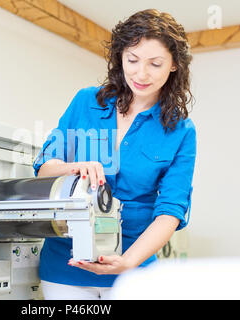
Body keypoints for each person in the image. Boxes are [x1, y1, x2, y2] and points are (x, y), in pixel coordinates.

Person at [33, 8, 196, 300]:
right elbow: (44, 168)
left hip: (133, 271)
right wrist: (75, 167)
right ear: (120, 56)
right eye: (132, 60)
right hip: (65, 266)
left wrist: (129, 261)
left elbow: (171, 210)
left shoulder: (181, 131)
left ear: (174, 66)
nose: (141, 74)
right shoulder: (85, 102)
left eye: (155, 64)